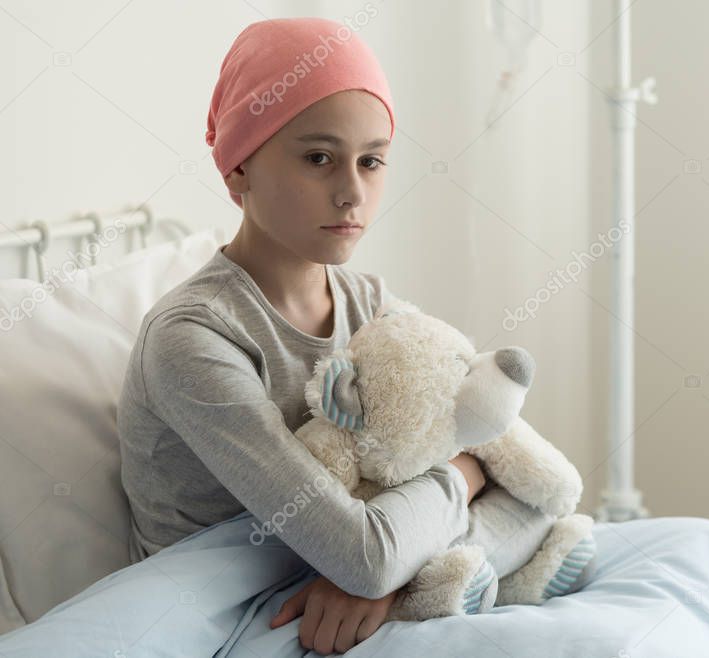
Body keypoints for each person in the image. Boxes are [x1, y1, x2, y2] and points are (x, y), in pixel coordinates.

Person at [116, 17, 574, 656]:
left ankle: (436, 579)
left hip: (354, 590)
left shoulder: (374, 305)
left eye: (372, 161)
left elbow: (534, 483)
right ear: (239, 167)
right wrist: (466, 476)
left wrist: (388, 580)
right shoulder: (193, 338)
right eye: (319, 158)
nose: (352, 192)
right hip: (225, 612)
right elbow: (362, 554)